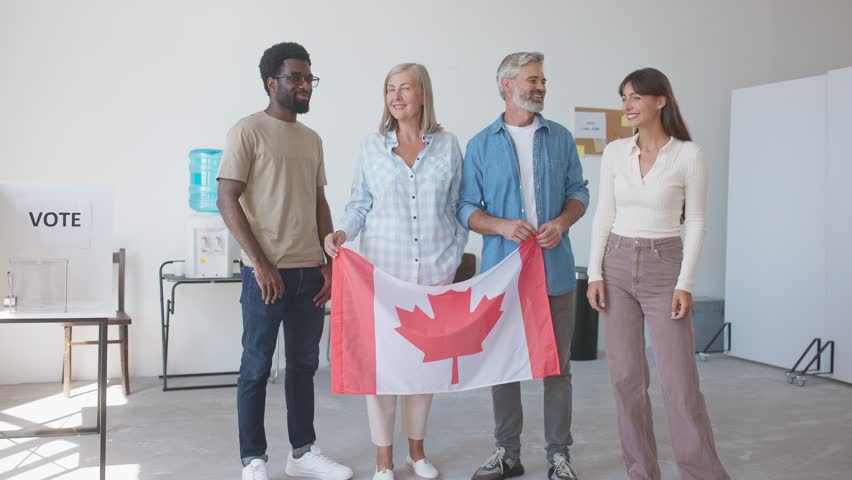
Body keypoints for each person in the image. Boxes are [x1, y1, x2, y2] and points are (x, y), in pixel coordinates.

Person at [217, 41, 353, 480]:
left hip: (309, 272)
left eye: (308, 78)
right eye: (295, 77)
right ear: (271, 82)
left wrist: (329, 264)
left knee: (303, 366)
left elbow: (319, 203)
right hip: (266, 274)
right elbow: (227, 198)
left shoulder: (312, 139)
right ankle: (253, 459)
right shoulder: (247, 130)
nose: (304, 86)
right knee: (256, 366)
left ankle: (302, 453)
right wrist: (259, 263)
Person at [324, 62, 467, 480]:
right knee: (382, 371)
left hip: (433, 277)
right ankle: (383, 460)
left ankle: (416, 454)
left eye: (406, 88)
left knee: (423, 368)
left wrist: (453, 256)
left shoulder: (448, 145)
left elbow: (458, 207)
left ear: (423, 94)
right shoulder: (371, 146)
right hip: (382, 279)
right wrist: (343, 232)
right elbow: (359, 204)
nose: (397, 96)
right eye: (390, 89)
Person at [585, 67, 730, 480]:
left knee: (679, 382)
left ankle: (702, 472)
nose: (627, 105)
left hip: (664, 265)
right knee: (626, 380)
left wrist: (685, 283)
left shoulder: (688, 155)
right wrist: (595, 273)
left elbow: (698, 222)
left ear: (660, 100)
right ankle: (640, 471)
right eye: (623, 98)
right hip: (615, 265)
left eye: (634, 97)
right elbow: (603, 215)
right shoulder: (615, 152)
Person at [457, 51, 589, 480]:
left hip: (554, 270)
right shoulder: (480, 145)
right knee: (503, 364)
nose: (540, 87)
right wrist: (498, 225)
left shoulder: (561, 138)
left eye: (543, 81)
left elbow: (579, 193)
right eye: (532, 80)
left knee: (557, 367)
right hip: (503, 275)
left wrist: (562, 222)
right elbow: (465, 209)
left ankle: (558, 456)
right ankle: (507, 454)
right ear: (506, 85)